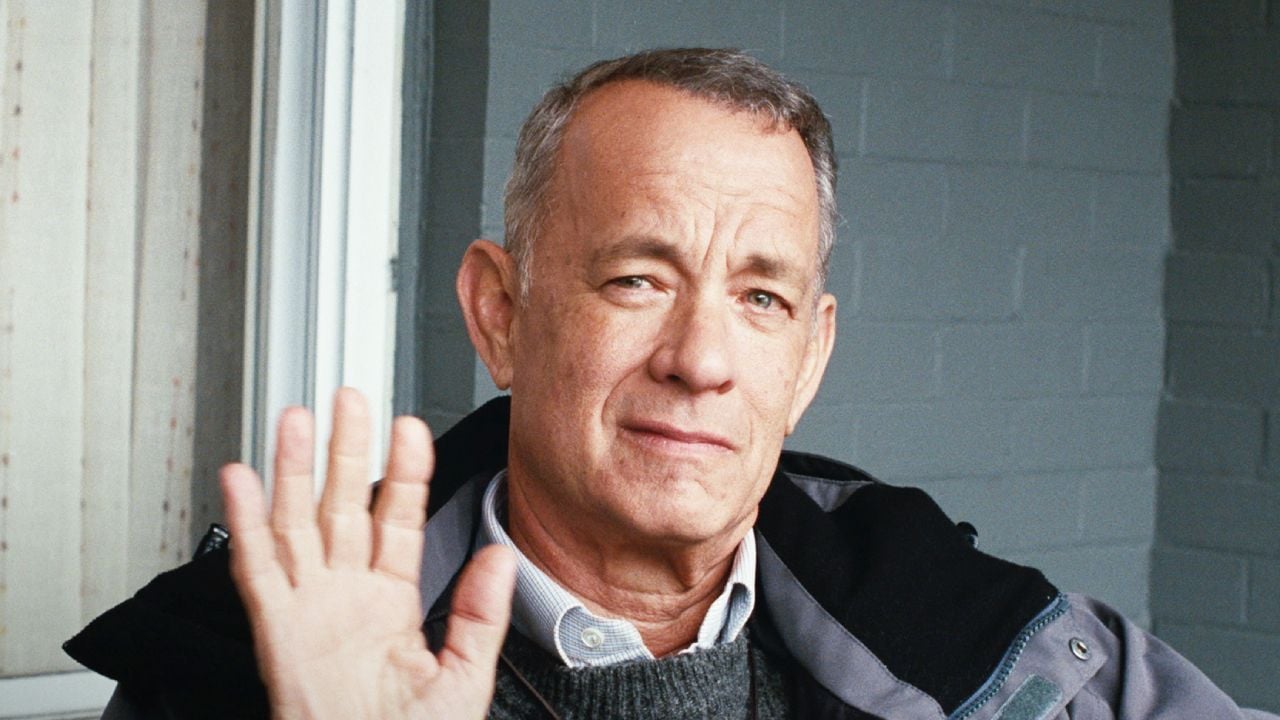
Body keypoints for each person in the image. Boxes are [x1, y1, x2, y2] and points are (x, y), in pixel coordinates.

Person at [67, 48, 1276, 720]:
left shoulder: (975, 629)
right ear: (500, 314)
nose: (699, 360)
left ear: (807, 359)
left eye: (760, 299)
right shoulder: (258, 660)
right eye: (637, 279)